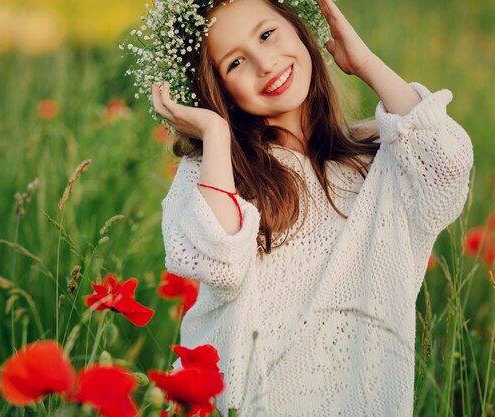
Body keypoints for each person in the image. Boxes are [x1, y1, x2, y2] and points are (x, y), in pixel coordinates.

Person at [130, 0, 474, 415]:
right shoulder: (219, 172)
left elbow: (447, 161)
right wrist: (215, 132)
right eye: (235, 62)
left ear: (299, 29)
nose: (265, 63)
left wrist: (365, 62)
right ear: (218, 91)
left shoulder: (377, 162)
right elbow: (216, 259)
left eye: (267, 34)